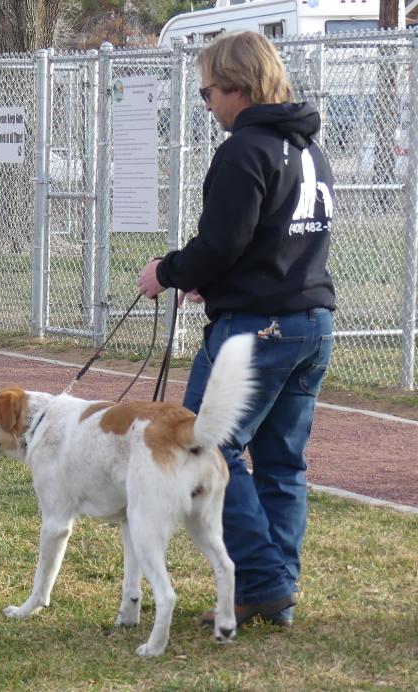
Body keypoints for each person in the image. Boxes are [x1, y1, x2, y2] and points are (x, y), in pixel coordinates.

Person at [136, 31, 336, 627]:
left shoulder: (244, 148)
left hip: (257, 332)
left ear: (239, 88)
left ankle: (265, 580)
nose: (207, 103)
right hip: (311, 322)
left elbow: (223, 241)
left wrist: (168, 272)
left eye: (208, 91)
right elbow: (271, 240)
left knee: (203, 446)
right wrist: (219, 283)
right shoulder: (306, 147)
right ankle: (274, 589)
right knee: (282, 462)